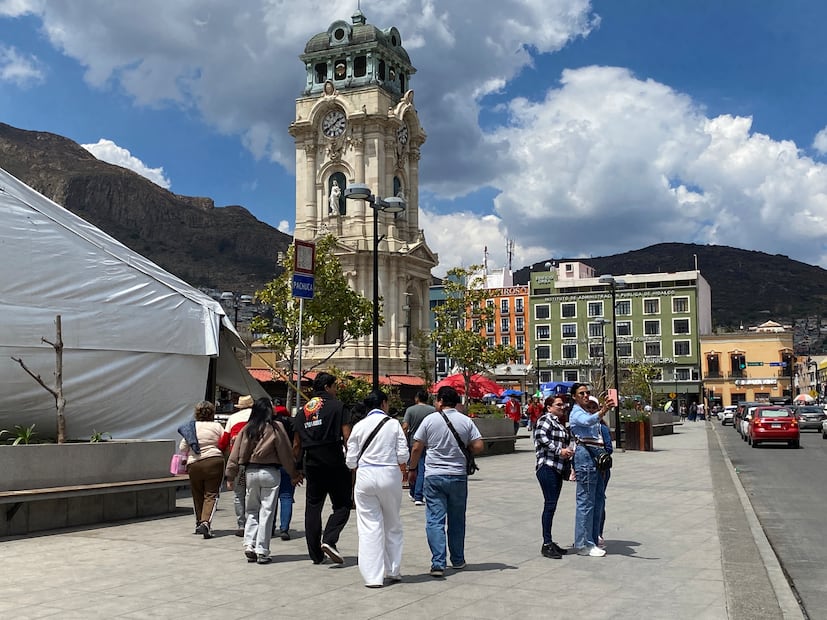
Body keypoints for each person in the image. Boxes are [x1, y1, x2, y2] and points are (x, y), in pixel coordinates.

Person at [408, 386, 484, 577]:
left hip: (434, 475)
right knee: (457, 519)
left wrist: (412, 469)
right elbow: (478, 445)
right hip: (458, 475)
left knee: (435, 519)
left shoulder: (430, 420)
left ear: (440, 401)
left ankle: (438, 563)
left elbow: (417, 448)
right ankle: (457, 559)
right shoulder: (465, 421)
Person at [345, 390, 410, 588]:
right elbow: (403, 456)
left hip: (365, 476)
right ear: (383, 404)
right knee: (392, 523)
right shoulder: (393, 425)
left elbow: (350, 461)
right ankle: (393, 569)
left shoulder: (358, 426)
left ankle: (372, 576)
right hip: (389, 475)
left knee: (369, 527)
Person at [225, 397, 298, 564]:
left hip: (250, 471)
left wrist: (230, 474)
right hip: (270, 472)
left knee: (252, 510)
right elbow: (285, 453)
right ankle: (262, 550)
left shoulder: (247, 428)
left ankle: (249, 543)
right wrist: (293, 473)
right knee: (267, 512)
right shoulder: (276, 427)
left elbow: (235, 453)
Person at [295, 371, 352, 564]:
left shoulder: (303, 411)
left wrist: (297, 467)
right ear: (328, 387)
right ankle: (329, 538)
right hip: (335, 460)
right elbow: (347, 437)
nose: (336, 390)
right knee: (343, 505)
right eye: (335, 386)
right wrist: (352, 462)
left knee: (313, 507)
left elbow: (297, 444)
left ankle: (315, 554)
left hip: (311, 463)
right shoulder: (338, 406)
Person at [568, 383, 610, 557]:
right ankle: (584, 543)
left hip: (595, 456)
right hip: (585, 456)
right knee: (586, 500)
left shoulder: (586, 412)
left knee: (598, 498)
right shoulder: (576, 412)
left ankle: (592, 539)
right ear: (574, 396)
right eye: (581, 393)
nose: (585, 396)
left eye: (587, 393)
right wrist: (602, 411)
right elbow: (586, 422)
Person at [532, 394, 573, 559]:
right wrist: (559, 450)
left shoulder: (559, 423)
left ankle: (549, 541)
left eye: (563, 405)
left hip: (557, 468)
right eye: (558, 405)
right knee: (549, 504)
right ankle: (546, 543)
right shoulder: (545, 420)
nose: (562, 407)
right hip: (547, 466)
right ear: (549, 407)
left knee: (552, 505)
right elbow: (541, 437)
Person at [178, 400, 225, 539]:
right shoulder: (217, 427)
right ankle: (205, 522)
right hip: (214, 461)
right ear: (212, 413)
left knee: (197, 494)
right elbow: (224, 442)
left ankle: (199, 521)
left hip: (194, 464)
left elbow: (182, 448)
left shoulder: (190, 427)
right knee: (211, 494)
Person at [218, 394, 253, 536]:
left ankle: (241, 525)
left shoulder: (233, 418)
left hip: (237, 460)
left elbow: (223, 442)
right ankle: (254, 524)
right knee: (253, 494)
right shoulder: (258, 417)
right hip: (254, 461)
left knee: (239, 494)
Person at [586, 395, 613, 549]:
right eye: (587, 407)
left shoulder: (602, 428)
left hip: (601, 469)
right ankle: (587, 534)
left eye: (593, 407)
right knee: (587, 502)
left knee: (599, 501)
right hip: (586, 469)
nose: (590, 410)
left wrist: (594, 452)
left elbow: (609, 449)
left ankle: (598, 533)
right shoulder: (581, 427)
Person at [271, 398, 300, 541]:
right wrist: (294, 461)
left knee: (271, 498)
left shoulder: (271, 423)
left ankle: (270, 527)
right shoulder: (292, 422)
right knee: (286, 496)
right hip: (288, 463)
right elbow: (296, 444)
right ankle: (284, 529)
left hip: (273, 463)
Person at [402, 390, 436, 506]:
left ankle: (415, 494)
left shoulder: (410, 410)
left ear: (417, 398)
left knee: (413, 467)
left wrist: (403, 440)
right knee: (422, 468)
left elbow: (405, 427)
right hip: (427, 442)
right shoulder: (432, 410)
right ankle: (418, 494)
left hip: (413, 442)